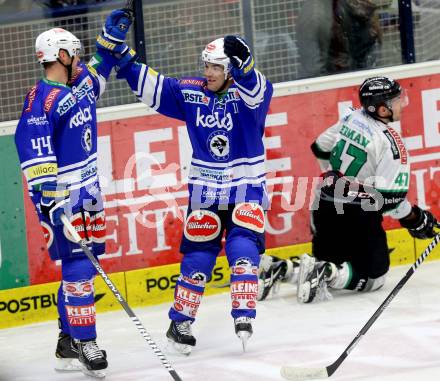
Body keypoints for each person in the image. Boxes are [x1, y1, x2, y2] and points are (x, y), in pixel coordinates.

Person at [104, 35, 273, 353]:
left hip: (245, 188)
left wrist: (247, 68)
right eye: (206, 65)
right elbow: (154, 86)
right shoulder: (192, 91)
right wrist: (123, 58)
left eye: (216, 67)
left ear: (231, 70)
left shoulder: (249, 98)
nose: (208, 72)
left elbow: (259, 91)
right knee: (197, 258)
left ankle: (243, 314)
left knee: (243, 251)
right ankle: (179, 323)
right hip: (205, 192)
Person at [14, 9, 132, 377]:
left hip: (90, 189)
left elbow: (97, 71)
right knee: (79, 268)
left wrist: (107, 43)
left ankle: (67, 340)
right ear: (62, 57)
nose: (79, 60)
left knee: (86, 264)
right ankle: (85, 341)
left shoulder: (76, 86)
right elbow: (31, 148)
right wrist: (52, 199)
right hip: (62, 196)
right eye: (75, 54)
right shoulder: (41, 100)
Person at [258, 76, 438, 304]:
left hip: (323, 204)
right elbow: (390, 201)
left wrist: (336, 178)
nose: (402, 103)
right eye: (396, 100)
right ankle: (327, 274)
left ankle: (283, 269)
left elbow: (320, 147)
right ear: (382, 109)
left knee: (329, 259)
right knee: (375, 276)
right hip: (356, 214)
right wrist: (414, 218)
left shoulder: (352, 117)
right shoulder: (391, 144)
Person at [296, 0, 382, 78]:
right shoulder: (316, 13)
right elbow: (313, 70)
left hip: (354, 74)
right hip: (338, 81)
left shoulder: (341, 7)